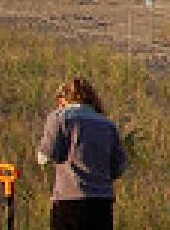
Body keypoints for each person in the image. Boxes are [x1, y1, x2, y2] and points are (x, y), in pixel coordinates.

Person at [36, 78, 128, 229]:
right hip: (102, 203)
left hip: (69, 200)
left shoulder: (60, 118)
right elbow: (119, 168)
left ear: (63, 99)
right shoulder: (108, 124)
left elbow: (44, 157)